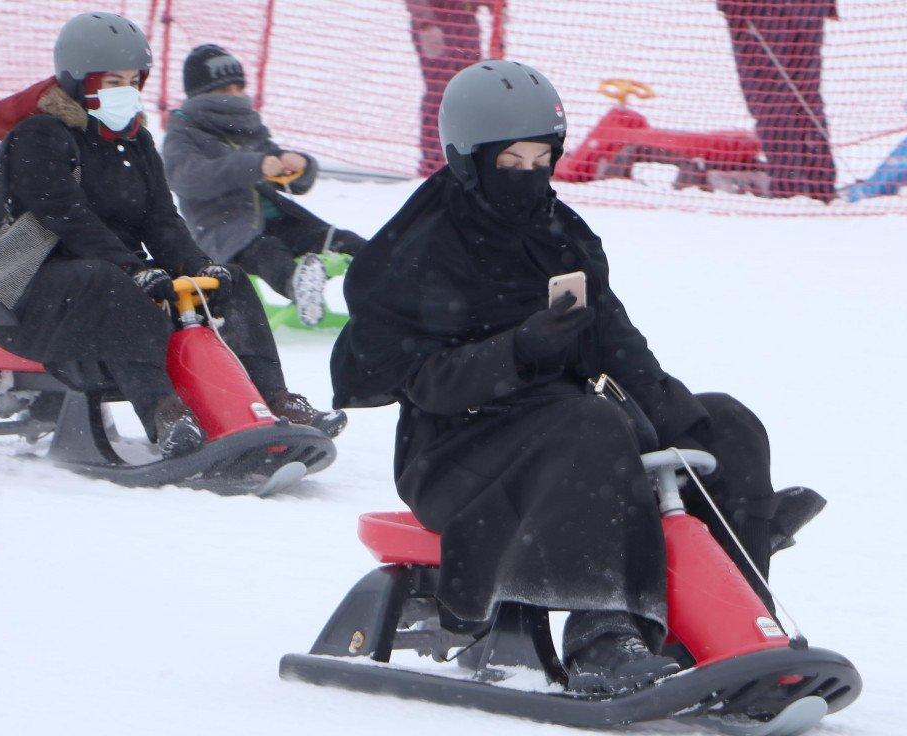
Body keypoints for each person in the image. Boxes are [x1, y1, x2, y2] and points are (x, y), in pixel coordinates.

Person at [332, 60, 822, 696]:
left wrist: (690, 430)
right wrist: (520, 350)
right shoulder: (420, 249)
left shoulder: (557, 232)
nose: (531, 173)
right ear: (467, 157)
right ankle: (603, 642)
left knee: (725, 419)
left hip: (564, 428)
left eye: (543, 156)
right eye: (511, 160)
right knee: (593, 422)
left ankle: (736, 619)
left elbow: (616, 340)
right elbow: (423, 382)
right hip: (455, 453)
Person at [0, 13, 346, 458]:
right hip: (35, 297)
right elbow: (66, 215)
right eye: (112, 80)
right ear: (78, 79)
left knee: (228, 280)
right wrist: (130, 268)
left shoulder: (133, 141)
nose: (126, 91)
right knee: (111, 284)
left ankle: (275, 399)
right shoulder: (40, 135)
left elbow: (161, 220)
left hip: (115, 278)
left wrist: (196, 265)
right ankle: (163, 414)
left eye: (134, 80)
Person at [162, 45, 367, 328]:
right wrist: (253, 165)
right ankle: (300, 286)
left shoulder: (247, 126)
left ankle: (389, 291)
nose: (234, 97)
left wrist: (299, 167)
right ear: (200, 95)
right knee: (268, 252)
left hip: (282, 221)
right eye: (224, 91)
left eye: (238, 88)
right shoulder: (184, 133)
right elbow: (186, 177)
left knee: (344, 242)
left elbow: (279, 169)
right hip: (228, 232)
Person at [718, 0, 838, 202]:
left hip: (759, 10)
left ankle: (791, 188)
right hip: (808, 9)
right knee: (803, 95)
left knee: (771, 97)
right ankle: (818, 184)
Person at [406, 1, 504, 177]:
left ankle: (467, 158)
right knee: (440, 93)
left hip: (465, 21)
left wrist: (495, 8)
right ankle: (433, 164)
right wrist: (425, 22)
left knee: (468, 91)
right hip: (437, 22)